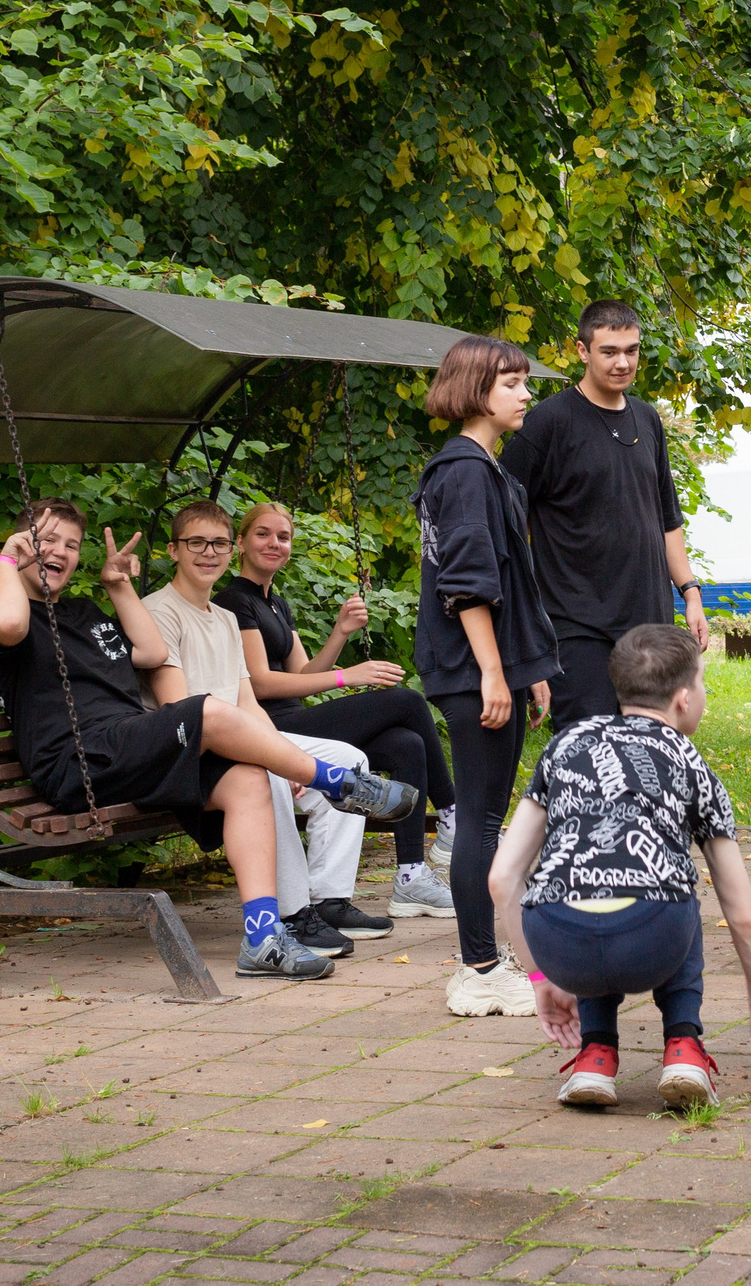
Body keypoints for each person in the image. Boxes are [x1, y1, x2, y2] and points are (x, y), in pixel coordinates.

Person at [0, 498, 418, 981]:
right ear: (20, 545)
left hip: (127, 752)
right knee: (207, 709)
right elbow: (8, 623)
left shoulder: (84, 612)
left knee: (247, 780)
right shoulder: (3, 620)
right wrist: (7, 559)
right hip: (79, 761)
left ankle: (263, 939)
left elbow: (150, 651)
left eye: (71, 545)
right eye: (46, 540)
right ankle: (339, 784)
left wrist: (118, 585)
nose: (59, 551)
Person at [490, 624, 751, 1110]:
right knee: (676, 885)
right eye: (702, 685)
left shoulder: (565, 744)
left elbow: (502, 877)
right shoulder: (693, 764)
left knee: (590, 887)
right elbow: (743, 914)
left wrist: (542, 978)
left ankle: (594, 1055)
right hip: (650, 941)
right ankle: (684, 1048)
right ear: (683, 698)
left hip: (559, 943)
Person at [144, 500, 376, 962]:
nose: (208, 553)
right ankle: (290, 915)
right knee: (267, 777)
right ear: (172, 550)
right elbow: (178, 710)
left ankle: (327, 901)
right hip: (191, 749)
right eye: (196, 543)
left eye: (218, 544)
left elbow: (248, 701)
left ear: (231, 551)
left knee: (350, 760)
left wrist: (278, 748)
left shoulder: (226, 617)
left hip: (241, 738)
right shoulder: (159, 611)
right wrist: (272, 758)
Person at [217, 500, 458, 924]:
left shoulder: (276, 602)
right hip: (267, 727)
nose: (275, 543)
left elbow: (305, 672)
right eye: (263, 534)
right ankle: (454, 816)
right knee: (406, 701)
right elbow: (261, 683)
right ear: (240, 542)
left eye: (283, 537)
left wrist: (340, 632)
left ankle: (410, 874)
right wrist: (350, 676)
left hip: (295, 717)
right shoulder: (235, 600)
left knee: (407, 744)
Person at [415, 334, 559, 1018]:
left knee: (485, 819)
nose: (526, 393)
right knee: (477, 823)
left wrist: (527, 669)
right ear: (477, 390)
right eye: (512, 383)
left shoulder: (482, 467)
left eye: (525, 382)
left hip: (489, 667)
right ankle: (476, 968)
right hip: (471, 671)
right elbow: (466, 587)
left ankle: (489, 960)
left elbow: (507, 584)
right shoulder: (466, 471)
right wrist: (494, 673)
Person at [501, 300, 712, 736]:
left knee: (652, 751)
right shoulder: (547, 423)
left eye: (631, 351)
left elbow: (667, 518)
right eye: (609, 351)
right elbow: (503, 519)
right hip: (578, 628)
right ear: (582, 351)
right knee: (590, 756)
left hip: (649, 624)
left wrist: (690, 592)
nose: (622, 363)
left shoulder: (647, 419)